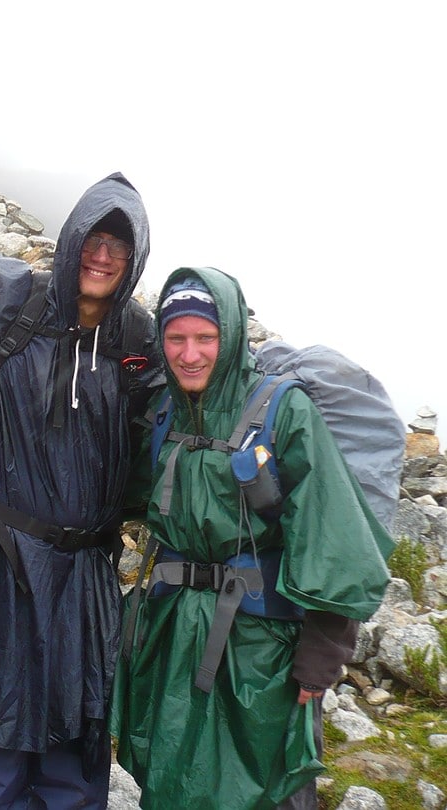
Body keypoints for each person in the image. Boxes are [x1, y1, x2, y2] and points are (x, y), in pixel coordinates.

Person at [110, 267, 393, 809]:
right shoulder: (167, 414)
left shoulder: (285, 411)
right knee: (172, 775)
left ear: (232, 336)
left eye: (205, 338)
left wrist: (321, 657)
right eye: (176, 338)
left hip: (263, 649)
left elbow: (330, 536)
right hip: (175, 635)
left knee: (262, 785)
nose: (189, 354)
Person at [0, 172, 162, 808]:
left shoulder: (137, 341)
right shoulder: (11, 300)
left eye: (120, 245)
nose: (102, 254)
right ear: (70, 241)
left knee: (74, 743)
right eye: (93, 237)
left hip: (85, 573)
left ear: (135, 259)